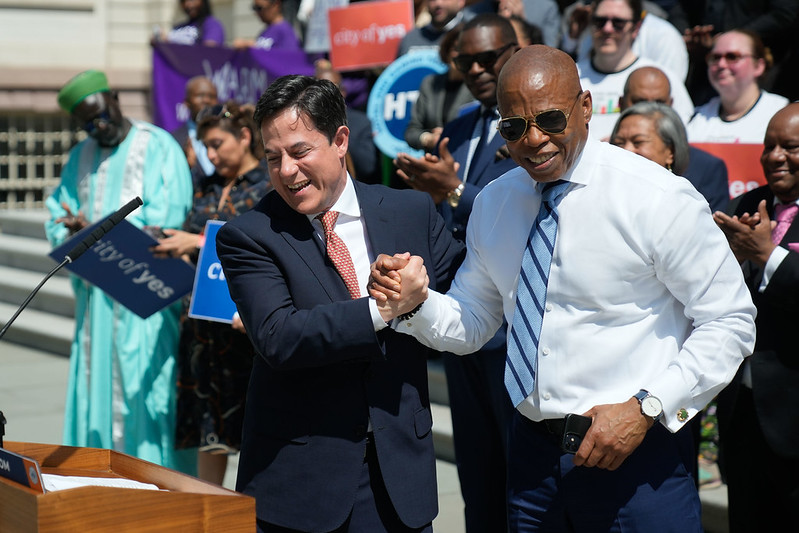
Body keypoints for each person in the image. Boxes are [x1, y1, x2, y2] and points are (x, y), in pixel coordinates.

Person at [371, 45, 756, 531]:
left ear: (587, 107)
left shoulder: (656, 198)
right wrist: (415, 304)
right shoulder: (494, 204)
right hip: (534, 464)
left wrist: (647, 407)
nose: (532, 140)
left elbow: (731, 320)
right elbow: (472, 322)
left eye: (551, 119)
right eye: (512, 128)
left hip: (639, 461)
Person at [215, 75, 465, 532]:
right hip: (302, 484)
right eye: (273, 158)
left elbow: (468, 298)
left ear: (341, 140)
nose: (286, 171)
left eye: (299, 152)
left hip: (399, 480)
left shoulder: (411, 212)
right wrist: (384, 308)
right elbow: (280, 338)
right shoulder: (249, 235)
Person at [395, 14, 520, 532]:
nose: (476, 69)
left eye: (488, 58)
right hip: (461, 318)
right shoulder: (461, 124)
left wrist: (453, 192)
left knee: (520, 474)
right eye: (464, 61)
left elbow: (523, 215)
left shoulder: (534, 124)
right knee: (477, 470)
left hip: (514, 328)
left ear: (515, 50)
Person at [44, 70, 195, 472]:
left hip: (142, 296)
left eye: (101, 115)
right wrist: (72, 228)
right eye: (88, 124)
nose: (99, 127)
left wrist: (105, 233)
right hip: (97, 300)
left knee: (146, 392)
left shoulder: (158, 145)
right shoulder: (81, 156)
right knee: (95, 383)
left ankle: (156, 484)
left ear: (114, 97)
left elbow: (171, 213)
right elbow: (58, 208)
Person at [157, 101, 272, 485]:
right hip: (202, 336)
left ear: (243, 137)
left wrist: (197, 240)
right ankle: (211, 521)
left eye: (217, 143)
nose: (210, 154)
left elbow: (263, 246)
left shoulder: (268, 187)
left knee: (256, 436)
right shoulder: (205, 188)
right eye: (205, 146)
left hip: (244, 333)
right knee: (211, 440)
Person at [712, 102, 799, 533]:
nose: (775, 156)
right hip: (743, 415)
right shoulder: (749, 205)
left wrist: (769, 257)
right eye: (769, 146)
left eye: (791, 146)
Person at [617, 66, 730, 212]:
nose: (649, 110)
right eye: (640, 101)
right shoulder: (602, 156)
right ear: (621, 103)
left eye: (659, 102)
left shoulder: (706, 168)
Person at [576, 0, 693, 140]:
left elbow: (684, 135)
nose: (607, 29)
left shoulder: (660, 76)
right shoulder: (572, 75)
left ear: (636, 28)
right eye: (600, 21)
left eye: (618, 23)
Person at [686, 29, 789, 144]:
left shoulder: (782, 112)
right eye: (715, 57)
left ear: (759, 66)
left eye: (732, 57)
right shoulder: (696, 118)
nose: (721, 64)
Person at [404, 26, 476, 152]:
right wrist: (428, 138)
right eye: (455, 48)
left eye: (465, 50)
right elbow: (411, 132)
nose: (459, 54)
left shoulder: (478, 86)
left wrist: (448, 135)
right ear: (447, 51)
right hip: (433, 160)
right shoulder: (430, 84)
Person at [313, 59, 382, 184]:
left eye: (332, 88)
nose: (326, 95)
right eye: (320, 88)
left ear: (343, 92)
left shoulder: (361, 122)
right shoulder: (307, 123)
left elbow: (367, 167)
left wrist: (337, 133)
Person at [610, 101, 689, 174]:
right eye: (619, 143)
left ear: (670, 152)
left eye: (638, 142)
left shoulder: (679, 189)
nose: (626, 150)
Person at [171, 76, 219, 188]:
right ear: (187, 102)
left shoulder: (228, 136)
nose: (206, 100)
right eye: (200, 95)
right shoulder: (174, 140)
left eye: (211, 96)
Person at [396, 0, 466, 56]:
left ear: (461, 1)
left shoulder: (470, 32)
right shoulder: (410, 38)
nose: (438, 3)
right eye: (432, 0)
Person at [233, 0, 303, 52]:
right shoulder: (265, 31)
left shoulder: (285, 31)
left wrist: (250, 46)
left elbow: (289, 60)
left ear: (276, 5)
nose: (257, 13)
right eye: (254, 8)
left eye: (259, 8)